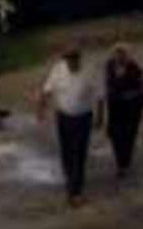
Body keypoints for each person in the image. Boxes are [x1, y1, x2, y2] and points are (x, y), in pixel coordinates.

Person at [37, 42, 105, 207]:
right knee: (66, 151)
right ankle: (70, 180)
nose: (71, 61)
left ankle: (75, 191)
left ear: (79, 58)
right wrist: (41, 109)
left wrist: (100, 117)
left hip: (83, 118)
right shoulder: (58, 69)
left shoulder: (89, 72)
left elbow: (100, 96)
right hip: (63, 117)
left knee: (79, 153)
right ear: (65, 59)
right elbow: (47, 90)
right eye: (68, 58)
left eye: (74, 58)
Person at [104, 43, 143, 180]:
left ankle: (123, 164)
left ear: (126, 55)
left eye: (122, 54)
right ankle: (121, 162)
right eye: (117, 53)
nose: (119, 56)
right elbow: (108, 85)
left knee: (128, 136)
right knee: (114, 134)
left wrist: (131, 95)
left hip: (131, 110)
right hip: (115, 109)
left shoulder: (135, 68)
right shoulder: (109, 66)